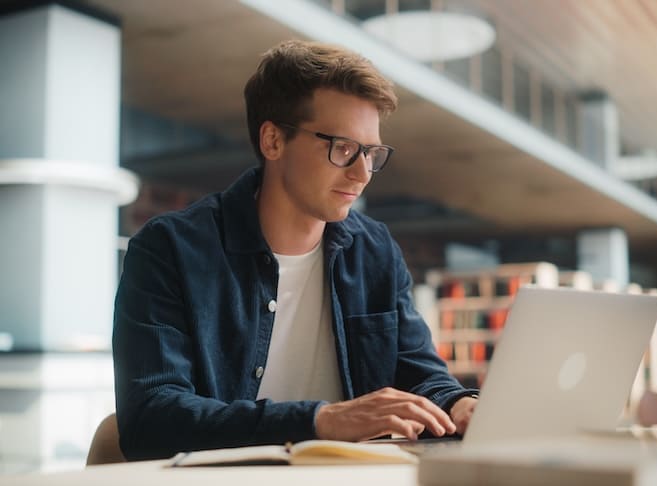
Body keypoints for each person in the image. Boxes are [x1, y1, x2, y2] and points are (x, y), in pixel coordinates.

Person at [113, 40, 478, 461]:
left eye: (372, 153)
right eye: (342, 147)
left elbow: (421, 375)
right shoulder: (169, 250)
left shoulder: (376, 250)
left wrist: (459, 404)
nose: (362, 173)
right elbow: (150, 420)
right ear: (272, 141)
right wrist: (321, 420)